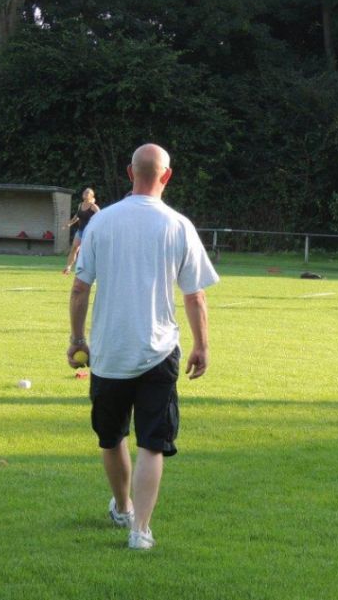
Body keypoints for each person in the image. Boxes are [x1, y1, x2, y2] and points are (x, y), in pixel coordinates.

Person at [67, 144, 219, 550]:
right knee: (153, 443)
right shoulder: (179, 225)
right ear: (166, 176)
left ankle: (123, 507)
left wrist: (77, 339)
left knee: (111, 436)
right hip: (159, 350)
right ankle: (141, 531)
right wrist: (202, 345)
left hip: (109, 351)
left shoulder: (102, 221)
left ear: (129, 172)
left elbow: (80, 288)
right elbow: (195, 296)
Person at [62, 188, 99, 274]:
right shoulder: (80, 205)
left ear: (91, 195)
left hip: (89, 233)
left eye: (87, 193)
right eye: (84, 192)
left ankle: (89, 270)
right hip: (80, 231)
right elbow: (77, 216)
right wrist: (69, 224)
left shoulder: (93, 206)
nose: (85, 193)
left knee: (87, 252)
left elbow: (101, 216)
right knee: (74, 249)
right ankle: (68, 267)